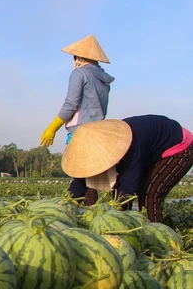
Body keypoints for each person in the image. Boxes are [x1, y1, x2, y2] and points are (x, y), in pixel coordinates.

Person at [61, 115, 193, 223]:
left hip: (179, 148)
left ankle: (156, 238)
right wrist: (69, 203)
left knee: (150, 193)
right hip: (150, 151)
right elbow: (81, 179)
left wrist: (115, 213)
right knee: (118, 192)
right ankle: (130, 227)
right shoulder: (96, 148)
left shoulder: (128, 143)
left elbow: (130, 186)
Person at [40, 34, 115, 205]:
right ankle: (89, 216)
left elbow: (71, 104)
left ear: (78, 57)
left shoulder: (79, 73)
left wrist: (53, 127)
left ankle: (69, 209)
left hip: (81, 131)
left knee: (80, 175)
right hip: (99, 130)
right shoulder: (103, 79)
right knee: (90, 178)